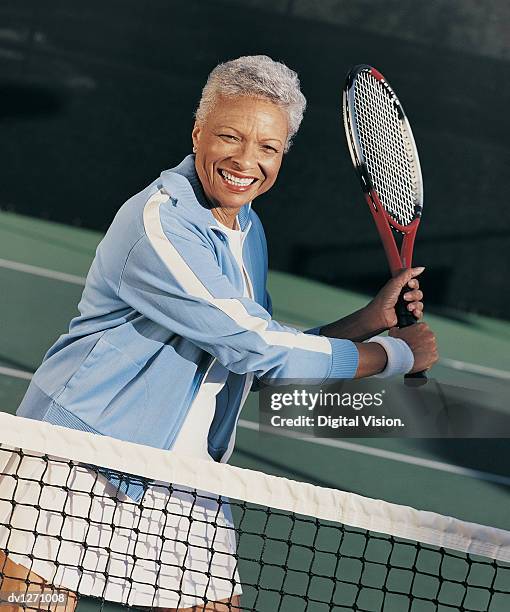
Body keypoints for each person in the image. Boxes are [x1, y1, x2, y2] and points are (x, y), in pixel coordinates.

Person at [0, 55, 437, 611]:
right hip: (75, 465)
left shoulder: (246, 227)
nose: (246, 161)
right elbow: (254, 346)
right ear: (197, 132)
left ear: (284, 154)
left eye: (268, 147)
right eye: (230, 136)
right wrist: (391, 355)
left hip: (186, 479)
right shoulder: (159, 222)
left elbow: (251, 356)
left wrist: (370, 321)